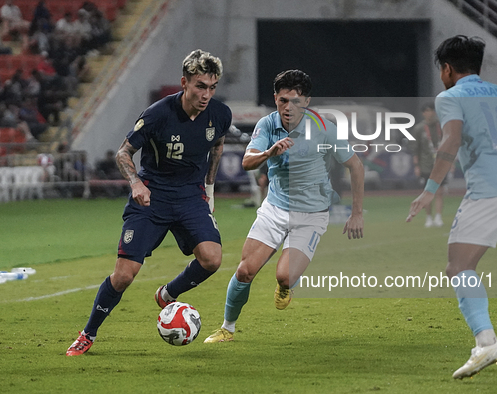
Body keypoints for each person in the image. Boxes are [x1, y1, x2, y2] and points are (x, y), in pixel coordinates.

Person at [66, 50, 231, 356]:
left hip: (190, 196)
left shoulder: (220, 114)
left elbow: (217, 145)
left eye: (212, 86)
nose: (206, 93)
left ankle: (168, 293)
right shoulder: (158, 114)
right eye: (199, 86)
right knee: (124, 274)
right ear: (184, 83)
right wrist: (136, 183)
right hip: (152, 197)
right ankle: (88, 334)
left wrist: (208, 189)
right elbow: (123, 153)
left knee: (212, 259)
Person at [406, 35, 497, 379]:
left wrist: (429, 190)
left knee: (458, 267)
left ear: (447, 69)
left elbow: (451, 140)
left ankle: (486, 341)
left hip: (488, 190)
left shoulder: (450, 96)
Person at [203, 70, 365, 343]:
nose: (288, 108)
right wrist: (269, 152)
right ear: (275, 99)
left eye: (296, 101)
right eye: (282, 101)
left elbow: (355, 166)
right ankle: (227, 328)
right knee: (244, 271)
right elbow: (247, 162)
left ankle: (285, 286)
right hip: (275, 209)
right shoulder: (266, 125)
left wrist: (357, 213)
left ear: (307, 101)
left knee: (284, 277)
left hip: (311, 215)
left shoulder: (324, 128)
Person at [411, 102, 446, 227]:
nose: (429, 113)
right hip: (426, 164)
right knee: (427, 191)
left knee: (440, 191)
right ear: (423, 113)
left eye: (431, 110)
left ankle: (438, 216)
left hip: (440, 163)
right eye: (426, 111)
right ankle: (428, 217)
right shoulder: (419, 129)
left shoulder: (441, 126)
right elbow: (416, 149)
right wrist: (417, 166)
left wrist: (450, 162)